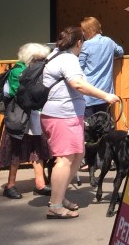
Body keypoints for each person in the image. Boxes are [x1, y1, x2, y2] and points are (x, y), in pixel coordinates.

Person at [39, 26, 121, 220]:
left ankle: (59, 197)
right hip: (62, 116)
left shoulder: (55, 55)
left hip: (66, 115)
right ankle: (55, 205)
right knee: (65, 159)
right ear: (78, 43)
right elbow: (77, 84)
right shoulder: (68, 59)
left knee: (78, 154)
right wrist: (105, 95)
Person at [0, 43, 53, 200]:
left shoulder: (34, 70)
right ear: (31, 58)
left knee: (38, 149)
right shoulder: (17, 71)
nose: (42, 61)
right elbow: (21, 94)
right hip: (20, 117)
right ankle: (10, 185)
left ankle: (40, 184)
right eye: (39, 59)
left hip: (34, 115)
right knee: (15, 151)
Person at [78, 17, 123, 170]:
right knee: (106, 129)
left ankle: (89, 161)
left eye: (83, 31)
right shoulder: (109, 42)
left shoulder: (86, 46)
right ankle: (109, 159)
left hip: (89, 94)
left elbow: (79, 67)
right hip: (106, 94)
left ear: (87, 31)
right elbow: (120, 51)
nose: (82, 34)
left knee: (88, 129)